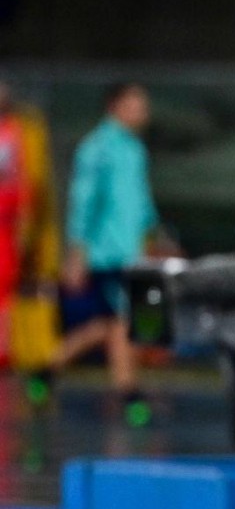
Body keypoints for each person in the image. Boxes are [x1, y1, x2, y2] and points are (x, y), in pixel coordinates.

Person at [55, 83, 161, 425]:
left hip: (133, 251)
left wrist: (156, 236)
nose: (144, 112)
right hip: (108, 253)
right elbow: (84, 202)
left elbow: (141, 203)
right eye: (136, 105)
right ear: (115, 107)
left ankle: (45, 368)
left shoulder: (134, 148)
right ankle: (130, 394)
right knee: (124, 323)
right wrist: (78, 252)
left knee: (107, 325)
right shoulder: (97, 148)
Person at [0, 81, 61, 377]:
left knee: (7, 289)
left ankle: (6, 351)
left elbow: (29, 183)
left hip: (9, 227)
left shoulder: (23, 131)